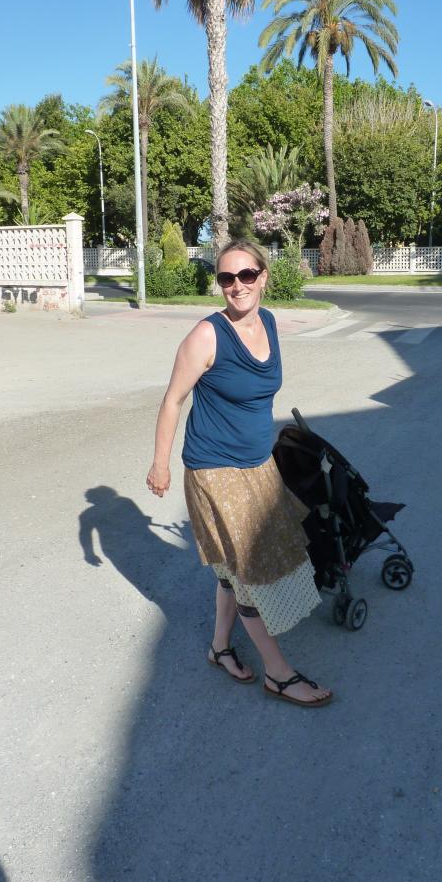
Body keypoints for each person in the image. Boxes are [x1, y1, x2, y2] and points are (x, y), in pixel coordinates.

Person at [146, 240, 333, 708]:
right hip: (214, 470)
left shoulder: (268, 322)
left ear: (263, 276)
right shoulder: (206, 336)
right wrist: (160, 464)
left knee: (232, 569)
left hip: (257, 465)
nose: (236, 286)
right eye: (226, 278)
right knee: (249, 570)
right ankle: (279, 675)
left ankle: (219, 647)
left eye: (246, 275)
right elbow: (173, 400)